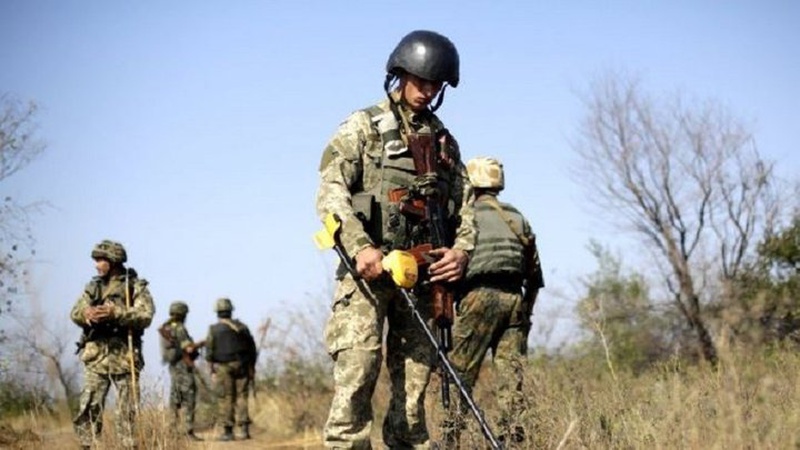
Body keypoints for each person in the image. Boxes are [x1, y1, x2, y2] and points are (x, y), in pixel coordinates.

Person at [316, 29, 476, 449]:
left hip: (423, 276)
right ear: (399, 75)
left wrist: (461, 253)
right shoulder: (363, 127)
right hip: (366, 275)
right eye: (420, 81)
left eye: (435, 85)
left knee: (413, 390)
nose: (427, 91)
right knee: (357, 374)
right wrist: (359, 247)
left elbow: (466, 206)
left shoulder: (445, 143)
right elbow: (331, 192)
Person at [445, 157, 545, 447]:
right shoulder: (516, 218)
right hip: (516, 299)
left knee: (460, 373)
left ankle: (452, 438)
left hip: (477, 297)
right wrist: (526, 312)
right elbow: (535, 275)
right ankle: (512, 438)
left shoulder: (465, 218)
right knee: (511, 378)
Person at [71, 240, 155, 450]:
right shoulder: (93, 287)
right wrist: (87, 314)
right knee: (88, 408)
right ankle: (87, 446)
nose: (97, 265)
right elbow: (74, 312)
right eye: (96, 260)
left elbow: (146, 315)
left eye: (100, 260)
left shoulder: (134, 286)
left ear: (114, 261)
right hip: (95, 357)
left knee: (126, 412)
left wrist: (115, 312)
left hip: (125, 357)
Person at [204, 297, 257, 441]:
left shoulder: (214, 329)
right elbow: (252, 349)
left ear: (217, 312)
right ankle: (244, 429)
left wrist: (211, 370)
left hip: (223, 367)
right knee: (242, 396)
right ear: (230, 311)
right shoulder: (242, 327)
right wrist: (252, 367)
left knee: (226, 397)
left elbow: (209, 352)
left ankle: (227, 431)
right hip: (242, 366)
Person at [158, 301, 204, 441]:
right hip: (182, 365)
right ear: (183, 314)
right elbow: (188, 348)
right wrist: (202, 343)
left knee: (175, 398)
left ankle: (172, 431)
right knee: (189, 397)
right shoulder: (179, 328)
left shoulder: (166, 327)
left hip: (173, 366)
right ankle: (187, 432)